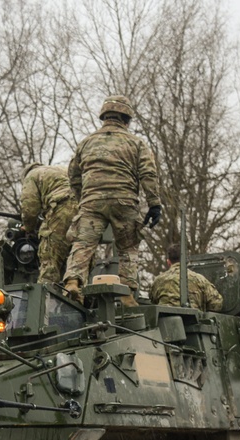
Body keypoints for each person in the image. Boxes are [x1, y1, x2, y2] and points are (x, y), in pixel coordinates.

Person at [61, 95, 162, 307]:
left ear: (104, 117)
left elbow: (73, 175)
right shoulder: (136, 143)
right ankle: (126, 293)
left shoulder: (86, 143)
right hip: (124, 202)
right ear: (126, 119)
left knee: (83, 243)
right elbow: (148, 173)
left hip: (92, 202)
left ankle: (72, 281)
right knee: (128, 247)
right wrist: (154, 204)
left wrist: (84, 199)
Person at [20, 163, 79, 284]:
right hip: (83, 208)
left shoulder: (31, 175)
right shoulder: (60, 169)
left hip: (62, 209)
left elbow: (29, 208)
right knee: (78, 256)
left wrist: (28, 227)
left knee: (49, 258)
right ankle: (78, 292)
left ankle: (46, 297)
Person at [150, 243, 224, 311]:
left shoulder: (158, 281)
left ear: (168, 262)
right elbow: (217, 303)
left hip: (164, 323)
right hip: (192, 323)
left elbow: (153, 303)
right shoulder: (199, 279)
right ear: (187, 261)